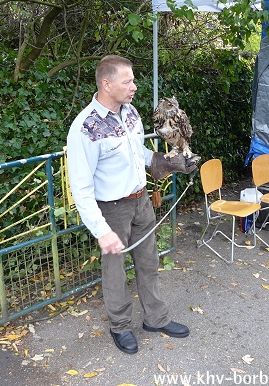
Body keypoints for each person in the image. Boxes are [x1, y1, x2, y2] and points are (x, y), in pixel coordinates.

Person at [67, 55, 197, 355]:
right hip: (111, 210)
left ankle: (156, 318)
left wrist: (168, 162)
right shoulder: (85, 127)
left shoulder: (131, 113)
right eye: (128, 82)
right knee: (115, 272)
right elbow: (81, 187)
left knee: (149, 263)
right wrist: (101, 230)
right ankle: (121, 326)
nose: (134, 86)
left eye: (133, 80)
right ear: (106, 84)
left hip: (141, 202)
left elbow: (137, 151)